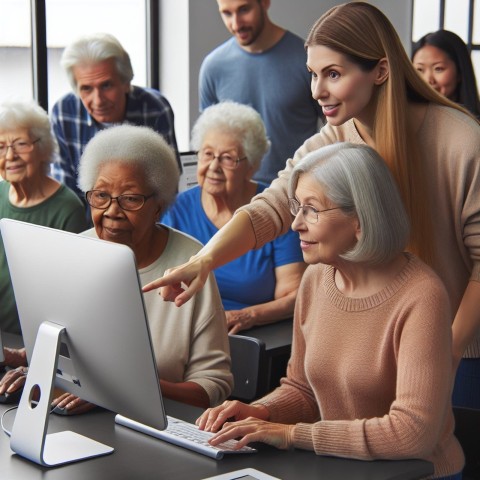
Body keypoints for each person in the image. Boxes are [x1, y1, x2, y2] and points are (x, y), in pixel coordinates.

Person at [144, 2, 480, 411]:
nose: (316, 91)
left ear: (380, 70)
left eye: (333, 74)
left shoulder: (461, 141)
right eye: (313, 74)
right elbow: (271, 207)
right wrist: (204, 261)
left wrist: (447, 349)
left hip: (458, 349)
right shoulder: (333, 138)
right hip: (374, 346)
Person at [195, 143, 464, 479]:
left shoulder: (422, 296)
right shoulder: (317, 278)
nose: (295, 225)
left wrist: (292, 435)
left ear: (361, 220)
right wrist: (262, 411)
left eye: (312, 210)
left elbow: (412, 434)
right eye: (297, 207)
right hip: (340, 467)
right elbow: (303, 389)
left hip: (417, 474)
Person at [0, 124, 233, 410]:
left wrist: (122, 389)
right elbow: (65, 348)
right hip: (76, 420)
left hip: (158, 433)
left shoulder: (189, 261)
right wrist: (31, 361)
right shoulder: (72, 252)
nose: (112, 211)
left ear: (158, 206)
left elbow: (212, 387)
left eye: (131, 199)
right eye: (100, 196)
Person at [162, 102, 306, 334]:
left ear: (251, 165)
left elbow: (293, 295)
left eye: (228, 158)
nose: (213, 167)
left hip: (251, 333)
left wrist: (249, 316)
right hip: (187, 330)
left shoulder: (275, 209)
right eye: (207, 154)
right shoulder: (175, 209)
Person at [199, 0, 323, 184]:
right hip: (236, 198)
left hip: (295, 194)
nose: (236, 23)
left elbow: (337, 130)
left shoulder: (307, 60)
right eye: (227, 13)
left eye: (244, 9)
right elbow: (210, 141)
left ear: (264, 2)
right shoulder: (213, 67)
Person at [50, 32, 179, 201]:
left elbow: (167, 185)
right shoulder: (63, 112)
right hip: (83, 223)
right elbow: (66, 194)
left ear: (126, 83)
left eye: (106, 85)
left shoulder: (154, 108)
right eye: (86, 89)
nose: (98, 101)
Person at [0, 100, 87, 345]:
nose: (10, 156)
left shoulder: (67, 208)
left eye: (21, 144)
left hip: (38, 341)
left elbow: (71, 295)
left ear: (43, 148)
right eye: (1, 146)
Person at [412, 29, 480, 117]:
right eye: (419, 70)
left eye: (438, 69)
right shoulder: (405, 119)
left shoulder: (473, 125)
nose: (428, 80)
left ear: (459, 71)